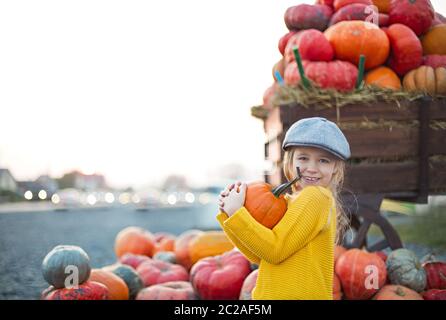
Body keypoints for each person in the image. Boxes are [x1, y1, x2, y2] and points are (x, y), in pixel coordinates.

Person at [217, 117, 351, 300]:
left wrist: (237, 214)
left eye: (323, 161)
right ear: (289, 161)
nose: (311, 168)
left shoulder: (316, 197)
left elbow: (275, 250)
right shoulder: (287, 203)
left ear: (335, 167)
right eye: (303, 158)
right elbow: (259, 255)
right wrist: (229, 216)